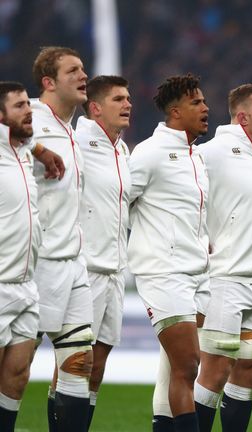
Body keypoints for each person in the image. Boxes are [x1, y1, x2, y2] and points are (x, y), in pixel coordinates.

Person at [193, 83, 252, 432]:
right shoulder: (212, 152)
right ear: (242, 117)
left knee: (248, 370)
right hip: (224, 280)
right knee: (214, 371)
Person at [128, 73, 210, 432]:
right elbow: (119, 203)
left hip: (197, 273)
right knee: (189, 363)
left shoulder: (196, 156)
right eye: (197, 103)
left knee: (175, 368)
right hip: (163, 271)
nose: (206, 108)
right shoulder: (149, 153)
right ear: (175, 112)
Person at [30, 45, 94, 432]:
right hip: (37, 266)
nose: (83, 75)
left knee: (78, 362)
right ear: (49, 82)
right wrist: (36, 147)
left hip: (73, 262)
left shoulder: (72, 130)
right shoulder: (30, 121)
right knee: (15, 369)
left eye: (84, 69)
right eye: (73, 70)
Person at [75, 75, 132, 427]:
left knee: (96, 367)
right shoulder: (77, 140)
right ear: (95, 108)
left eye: (128, 98)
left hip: (115, 272)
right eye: (118, 99)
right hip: (85, 269)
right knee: (75, 363)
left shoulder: (121, 149)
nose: (128, 104)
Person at [0, 81, 42, 431]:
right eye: (19, 106)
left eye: (29, 104)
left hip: (27, 285)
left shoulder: (24, 152)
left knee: (18, 376)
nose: (29, 110)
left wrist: (40, 149)